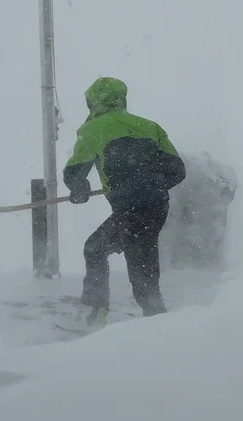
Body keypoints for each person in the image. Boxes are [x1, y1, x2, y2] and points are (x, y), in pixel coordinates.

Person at [62, 77, 186, 326]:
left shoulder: (93, 129)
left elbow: (75, 172)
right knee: (111, 251)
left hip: (130, 209)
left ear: (95, 102)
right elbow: (177, 170)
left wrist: (79, 191)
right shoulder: (150, 126)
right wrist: (150, 184)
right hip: (156, 205)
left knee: (130, 261)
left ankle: (136, 321)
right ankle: (150, 319)